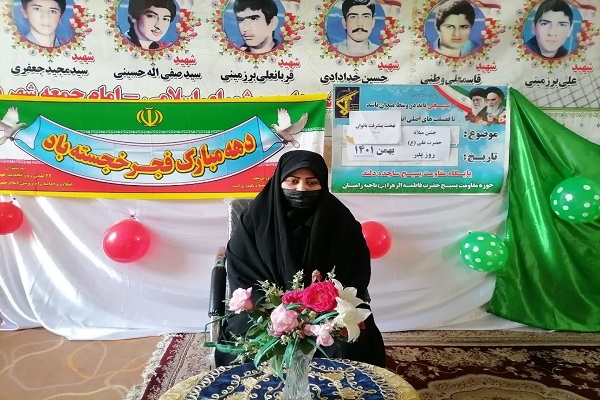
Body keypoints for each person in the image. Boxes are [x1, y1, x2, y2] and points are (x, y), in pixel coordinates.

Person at [216, 150, 386, 368]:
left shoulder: (341, 221)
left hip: (327, 312)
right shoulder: (254, 221)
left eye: (312, 182)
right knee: (249, 347)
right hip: (265, 310)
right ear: (279, 181)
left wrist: (318, 313)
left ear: (322, 184)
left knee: (346, 348)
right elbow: (242, 274)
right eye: (293, 181)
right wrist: (278, 312)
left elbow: (355, 272)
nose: (302, 189)